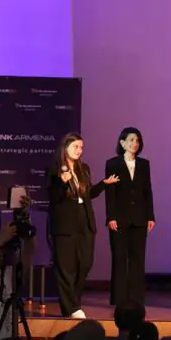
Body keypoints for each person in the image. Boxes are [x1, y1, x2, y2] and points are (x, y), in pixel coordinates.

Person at [47, 132, 120, 319]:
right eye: (76, 147)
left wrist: (104, 184)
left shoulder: (83, 168)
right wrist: (62, 182)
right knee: (66, 268)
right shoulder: (54, 170)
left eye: (81, 147)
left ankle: (73, 303)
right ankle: (71, 307)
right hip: (64, 224)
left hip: (85, 221)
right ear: (65, 148)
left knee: (85, 264)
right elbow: (53, 197)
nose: (79, 151)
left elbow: (88, 194)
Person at [105, 127, 155, 306]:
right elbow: (110, 193)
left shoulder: (144, 164)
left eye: (137, 140)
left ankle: (136, 298)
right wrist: (111, 217)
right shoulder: (113, 163)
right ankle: (119, 298)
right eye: (131, 140)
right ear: (122, 143)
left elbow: (147, 191)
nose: (135, 143)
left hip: (140, 219)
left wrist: (150, 216)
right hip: (119, 218)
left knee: (138, 259)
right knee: (119, 258)